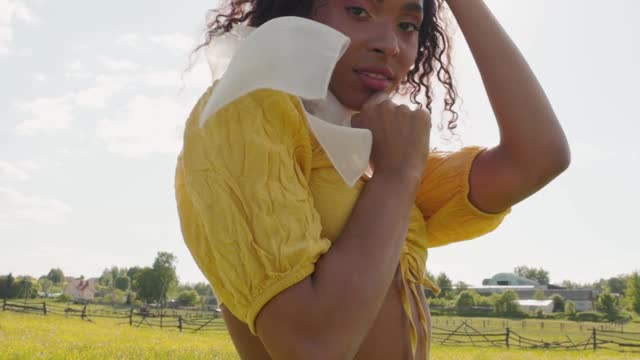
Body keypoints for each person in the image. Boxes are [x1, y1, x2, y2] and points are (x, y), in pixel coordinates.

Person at [175, 0, 570, 359]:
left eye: (408, 25)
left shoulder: (364, 152)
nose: (391, 45)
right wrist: (397, 174)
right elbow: (312, 347)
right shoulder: (246, 108)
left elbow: (536, 157)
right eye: (358, 10)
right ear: (297, 8)